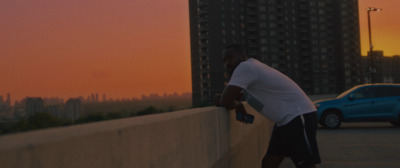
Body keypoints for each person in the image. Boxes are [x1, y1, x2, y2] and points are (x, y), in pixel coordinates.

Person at [219, 44, 321, 168]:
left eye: (230, 58)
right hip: (284, 121)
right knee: (268, 163)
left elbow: (225, 100)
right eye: (224, 60)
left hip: (297, 116)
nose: (227, 64)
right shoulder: (249, 70)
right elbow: (226, 98)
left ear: (243, 56)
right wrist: (236, 103)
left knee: (305, 164)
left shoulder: (244, 67)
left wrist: (236, 105)